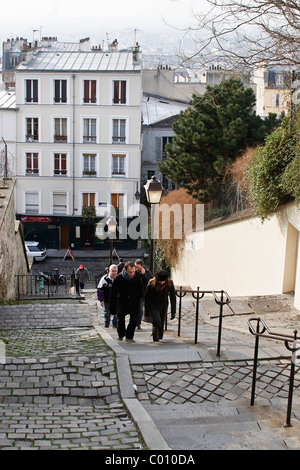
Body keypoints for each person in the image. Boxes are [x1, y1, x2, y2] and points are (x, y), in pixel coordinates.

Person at [110, 261, 146, 343]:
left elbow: (141, 289)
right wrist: (113, 308)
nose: (132, 273)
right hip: (122, 302)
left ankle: (129, 336)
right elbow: (113, 293)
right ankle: (121, 335)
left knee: (134, 320)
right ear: (125, 270)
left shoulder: (137, 276)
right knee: (121, 320)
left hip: (134, 302)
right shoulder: (118, 278)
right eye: (130, 272)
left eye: (133, 271)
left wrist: (140, 298)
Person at [145, 270, 176, 342]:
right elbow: (147, 297)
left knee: (161, 322)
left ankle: (159, 335)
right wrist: (146, 310)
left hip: (163, 305)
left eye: (163, 281)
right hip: (153, 305)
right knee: (157, 320)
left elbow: (172, 298)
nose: (161, 282)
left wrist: (173, 311)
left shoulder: (170, 283)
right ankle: (155, 335)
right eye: (160, 281)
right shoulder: (151, 283)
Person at [134, 259, 152, 329]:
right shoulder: (133, 272)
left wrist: (144, 274)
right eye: (136, 267)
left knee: (140, 309)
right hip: (134, 294)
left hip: (142, 294)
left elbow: (150, 282)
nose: (137, 269)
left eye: (138, 267)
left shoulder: (147, 272)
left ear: (142, 266)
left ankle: (138, 324)